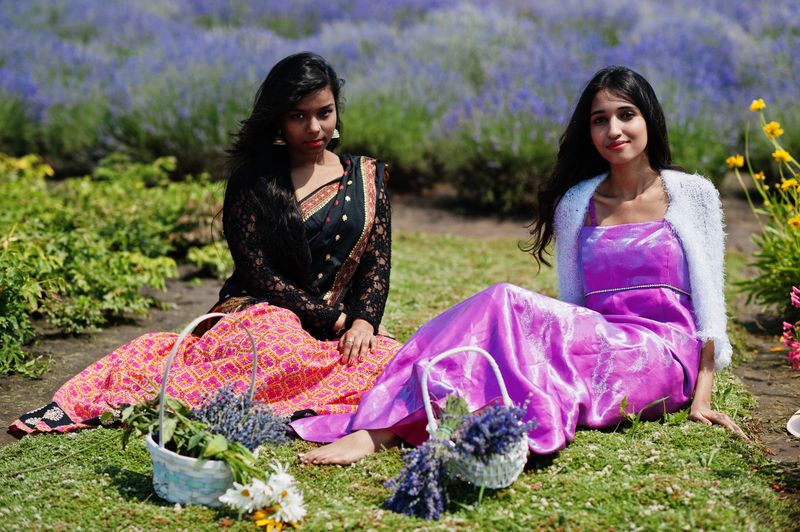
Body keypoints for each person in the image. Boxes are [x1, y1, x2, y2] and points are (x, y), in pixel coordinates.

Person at [296, 65, 745, 465]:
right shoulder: (577, 203)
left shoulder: (691, 194)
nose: (614, 130)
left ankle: (385, 430)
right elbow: (575, 306)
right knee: (504, 319)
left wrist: (702, 397)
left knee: (505, 301)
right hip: (603, 340)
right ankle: (405, 410)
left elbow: (710, 306)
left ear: (649, 118)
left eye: (626, 115)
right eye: (600, 119)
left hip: (662, 355)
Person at [11, 52, 400, 435]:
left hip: (336, 325)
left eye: (324, 113)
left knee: (393, 360)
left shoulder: (366, 178)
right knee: (280, 345)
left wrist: (363, 322)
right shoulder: (255, 180)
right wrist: (333, 320)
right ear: (279, 120)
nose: (314, 128)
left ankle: (302, 388)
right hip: (262, 312)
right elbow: (258, 273)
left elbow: (376, 265)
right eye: (298, 116)